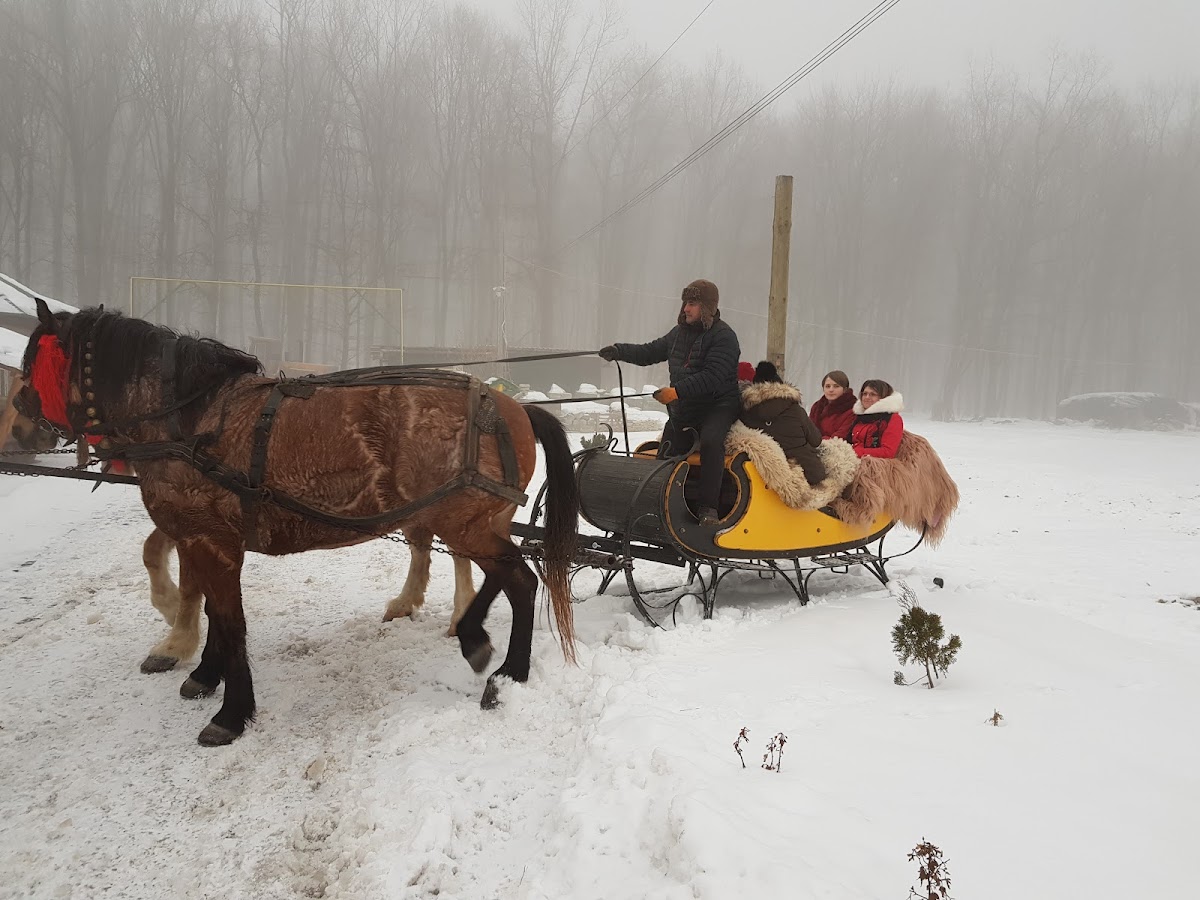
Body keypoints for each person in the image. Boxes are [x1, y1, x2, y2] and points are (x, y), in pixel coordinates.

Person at [599, 278, 740, 527]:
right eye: (685, 303)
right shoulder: (678, 334)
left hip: (718, 406)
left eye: (692, 303)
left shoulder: (724, 337)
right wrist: (619, 351)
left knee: (710, 442)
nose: (686, 308)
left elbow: (713, 377)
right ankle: (657, 506)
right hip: (685, 410)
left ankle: (709, 509)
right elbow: (649, 352)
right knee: (666, 451)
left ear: (707, 307)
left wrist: (676, 392)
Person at [739, 361, 826, 485]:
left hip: (761, 476)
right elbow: (816, 440)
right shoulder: (795, 409)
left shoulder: (746, 413)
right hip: (806, 473)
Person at [848, 379, 904, 458]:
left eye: (873, 394)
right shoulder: (859, 416)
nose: (867, 397)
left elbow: (888, 451)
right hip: (852, 458)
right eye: (865, 394)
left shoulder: (892, 419)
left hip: (873, 462)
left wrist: (854, 452)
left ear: (883, 398)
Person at [809, 369, 857, 440]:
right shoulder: (817, 407)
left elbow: (840, 437)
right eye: (827, 386)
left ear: (845, 389)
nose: (831, 390)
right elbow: (808, 430)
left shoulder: (852, 410)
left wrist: (817, 440)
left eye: (836, 386)